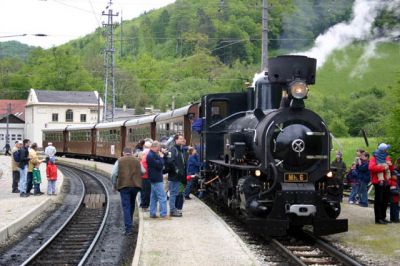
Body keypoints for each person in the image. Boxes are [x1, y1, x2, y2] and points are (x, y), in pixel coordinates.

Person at [111, 147, 143, 235]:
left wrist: (114, 184)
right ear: (132, 152)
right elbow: (143, 171)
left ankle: (128, 229)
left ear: (123, 153)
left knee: (126, 206)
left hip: (124, 186)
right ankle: (130, 223)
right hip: (135, 186)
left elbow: (114, 174)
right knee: (132, 204)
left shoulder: (119, 161)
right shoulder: (137, 160)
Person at [369, 143, 393, 224]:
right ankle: (378, 218)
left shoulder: (387, 156)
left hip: (387, 181)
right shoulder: (374, 157)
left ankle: (383, 217)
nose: (387, 150)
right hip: (378, 182)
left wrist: (390, 165)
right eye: (385, 149)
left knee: (385, 200)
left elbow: (391, 169)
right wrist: (383, 167)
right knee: (379, 200)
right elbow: (371, 168)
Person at [165, 134, 186, 217]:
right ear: (176, 140)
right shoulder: (173, 149)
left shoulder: (180, 150)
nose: (182, 140)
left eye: (182, 138)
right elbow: (170, 161)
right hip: (174, 176)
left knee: (177, 193)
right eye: (180, 139)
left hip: (179, 177)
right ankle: (172, 211)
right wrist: (177, 170)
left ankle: (175, 209)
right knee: (173, 193)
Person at [147, 141, 168, 219]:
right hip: (156, 179)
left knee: (154, 197)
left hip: (154, 178)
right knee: (162, 197)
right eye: (158, 148)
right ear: (154, 147)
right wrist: (162, 157)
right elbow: (159, 165)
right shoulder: (151, 156)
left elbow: (161, 162)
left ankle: (152, 213)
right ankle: (163, 214)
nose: (159, 149)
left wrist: (163, 156)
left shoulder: (153, 154)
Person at [139, 141, 153, 211]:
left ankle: (142, 204)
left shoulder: (143, 153)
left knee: (143, 191)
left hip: (142, 175)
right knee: (147, 192)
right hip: (147, 175)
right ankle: (144, 206)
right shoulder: (148, 153)